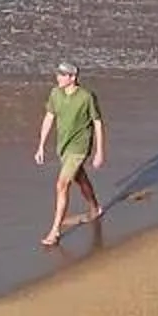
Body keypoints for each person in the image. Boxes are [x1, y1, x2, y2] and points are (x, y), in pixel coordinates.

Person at [33, 63, 106, 247]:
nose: (58, 77)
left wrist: (99, 151)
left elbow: (97, 123)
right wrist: (41, 146)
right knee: (79, 178)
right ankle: (94, 208)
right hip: (63, 147)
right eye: (58, 74)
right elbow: (49, 117)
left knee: (61, 184)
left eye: (62, 75)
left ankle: (54, 231)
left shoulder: (86, 97)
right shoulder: (55, 94)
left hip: (80, 147)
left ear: (72, 77)